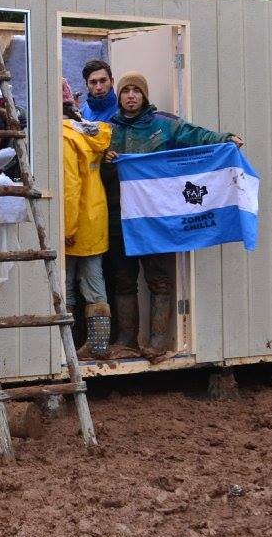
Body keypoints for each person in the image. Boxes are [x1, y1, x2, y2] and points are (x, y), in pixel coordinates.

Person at [103, 71, 245, 362]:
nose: (131, 95)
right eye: (125, 91)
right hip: (118, 216)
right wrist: (105, 161)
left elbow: (195, 135)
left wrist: (224, 139)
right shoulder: (107, 130)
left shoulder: (164, 126)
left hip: (155, 219)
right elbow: (91, 166)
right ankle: (126, 340)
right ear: (119, 97)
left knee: (159, 280)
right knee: (123, 280)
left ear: (144, 96)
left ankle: (156, 343)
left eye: (136, 91)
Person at [61, 80, 113, 359]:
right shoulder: (93, 132)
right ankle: (98, 346)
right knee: (94, 283)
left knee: (66, 286)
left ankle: (64, 348)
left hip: (75, 222)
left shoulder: (65, 137)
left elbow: (70, 187)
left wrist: (67, 227)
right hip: (96, 217)